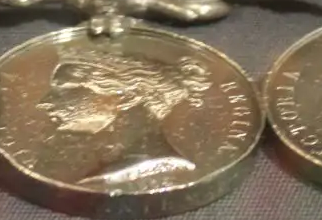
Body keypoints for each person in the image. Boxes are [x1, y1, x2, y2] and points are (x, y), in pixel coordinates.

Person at [37, 47, 211, 188]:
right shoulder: (93, 169)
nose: (43, 102)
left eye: (64, 89)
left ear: (127, 97)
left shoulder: (103, 178)